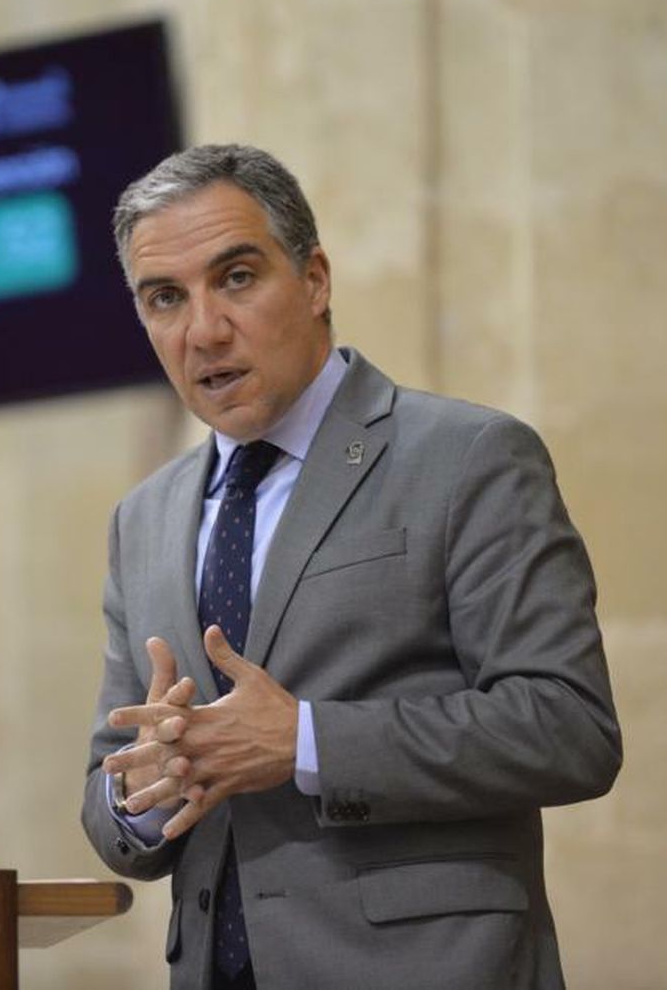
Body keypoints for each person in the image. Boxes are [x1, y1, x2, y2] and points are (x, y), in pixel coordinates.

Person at [80, 144, 621, 989]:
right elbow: (108, 800)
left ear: (316, 279)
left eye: (237, 278)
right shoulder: (142, 519)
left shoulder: (468, 458)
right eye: (164, 298)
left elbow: (568, 728)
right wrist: (140, 790)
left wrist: (302, 741)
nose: (204, 330)